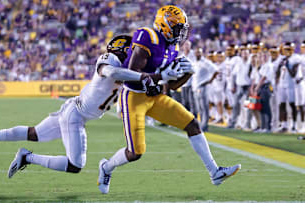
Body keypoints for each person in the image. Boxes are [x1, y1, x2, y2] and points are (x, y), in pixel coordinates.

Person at [0, 35, 177, 177]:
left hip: (75, 110)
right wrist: (147, 76)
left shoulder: (128, 69)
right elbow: (113, 73)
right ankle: (27, 157)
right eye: (132, 50)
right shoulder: (110, 59)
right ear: (122, 49)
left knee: (33, 133)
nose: (135, 55)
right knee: (75, 166)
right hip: (76, 115)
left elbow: (133, 84)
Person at [97, 5, 241, 194]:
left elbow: (170, 87)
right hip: (133, 96)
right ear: (164, 25)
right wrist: (162, 74)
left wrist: (188, 73)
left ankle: (215, 172)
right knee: (135, 152)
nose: (181, 33)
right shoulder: (148, 36)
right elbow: (132, 73)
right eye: (177, 28)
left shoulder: (173, 45)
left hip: (154, 97)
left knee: (192, 124)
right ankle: (106, 167)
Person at [275, 42, 301, 133]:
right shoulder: (282, 59)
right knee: (282, 105)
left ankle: (294, 125)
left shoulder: (295, 59)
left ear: (292, 50)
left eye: (288, 50)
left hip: (291, 85)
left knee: (292, 105)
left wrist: (287, 65)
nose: (286, 52)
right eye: (285, 50)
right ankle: (284, 125)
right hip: (282, 84)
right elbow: (277, 71)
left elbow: (293, 74)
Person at [192, 48, 218, 132]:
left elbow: (216, 70)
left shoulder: (205, 62)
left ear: (202, 53)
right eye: (196, 52)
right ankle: (202, 124)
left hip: (203, 87)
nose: (197, 54)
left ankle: (204, 125)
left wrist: (210, 81)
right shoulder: (195, 62)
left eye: (199, 52)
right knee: (199, 108)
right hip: (196, 87)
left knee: (204, 107)